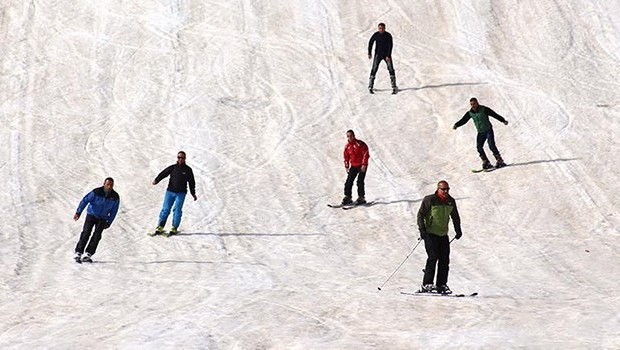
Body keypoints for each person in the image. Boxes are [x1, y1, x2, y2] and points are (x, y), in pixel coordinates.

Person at [416, 180, 462, 294]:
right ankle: (427, 284)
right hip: (430, 233)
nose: (446, 191)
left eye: (447, 189)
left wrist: (458, 230)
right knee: (433, 257)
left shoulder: (450, 201)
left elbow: (455, 216)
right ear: (438, 189)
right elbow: (420, 215)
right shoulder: (430, 199)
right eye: (443, 189)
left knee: (444, 260)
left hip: (443, 234)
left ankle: (441, 284)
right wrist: (422, 229)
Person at [453, 97, 509, 169]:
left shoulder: (484, 109)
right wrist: (456, 124)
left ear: (477, 103)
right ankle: (486, 162)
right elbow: (464, 120)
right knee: (479, 147)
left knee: (491, 145)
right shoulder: (470, 113)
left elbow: (494, 114)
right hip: (480, 132)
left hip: (488, 130)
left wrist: (503, 120)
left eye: (474, 104)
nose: (473, 105)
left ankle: (500, 160)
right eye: (471, 104)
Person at [73, 177, 120, 263]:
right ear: (104, 184)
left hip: (103, 218)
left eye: (111, 185)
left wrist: (109, 222)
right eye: (108, 184)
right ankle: (78, 252)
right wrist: (78, 212)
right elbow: (85, 200)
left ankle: (88, 253)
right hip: (91, 215)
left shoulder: (115, 197)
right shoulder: (96, 192)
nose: (109, 186)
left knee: (97, 236)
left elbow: (114, 211)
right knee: (86, 233)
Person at [152, 151, 197, 235]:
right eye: (179, 157)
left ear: (185, 159)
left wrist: (193, 193)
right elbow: (164, 173)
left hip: (181, 193)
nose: (180, 159)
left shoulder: (188, 170)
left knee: (177, 210)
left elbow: (191, 182)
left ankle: (174, 227)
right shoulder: (173, 168)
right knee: (165, 209)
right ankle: (160, 226)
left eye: (182, 158)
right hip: (170, 192)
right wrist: (156, 180)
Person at [367, 22, 397, 94]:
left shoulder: (388, 35)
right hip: (378, 55)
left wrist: (388, 55)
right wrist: (369, 53)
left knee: (391, 69)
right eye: (380, 28)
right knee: (374, 69)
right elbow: (370, 42)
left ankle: (394, 86)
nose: (381, 29)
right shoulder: (376, 35)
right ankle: (370, 86)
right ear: (378, 28)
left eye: (382, 28)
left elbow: (390, 45)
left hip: (386, 55)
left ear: (385, 28)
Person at [342, 130, 370, 205]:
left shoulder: (360, 144)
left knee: (359, 181)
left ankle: (361, 197)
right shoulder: (347, 146)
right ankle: (348, 197)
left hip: (362, 166)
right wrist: (347, 166)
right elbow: (346, 157)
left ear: (354, 135)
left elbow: (366, 154)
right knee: (349, 181)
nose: (349, 137)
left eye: (351, 136)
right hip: (354, 166)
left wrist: (364, 164)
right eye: (348, 136)